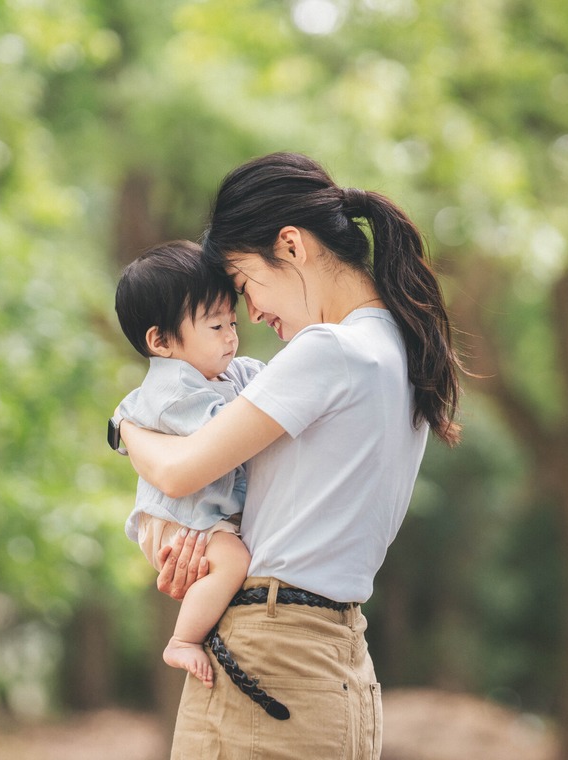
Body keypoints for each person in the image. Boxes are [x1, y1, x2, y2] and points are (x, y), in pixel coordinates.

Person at [117, 152, 462, 759]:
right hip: (334, 655)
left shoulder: (329, 351)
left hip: (270, 654)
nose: (249, 313)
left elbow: (178, 468)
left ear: (292, 246)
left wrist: (122, 425)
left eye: (245, 283)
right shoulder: (399, 354)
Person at [110, 240, 262, 688]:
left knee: (232, 559)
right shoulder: (174, 387)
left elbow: (264, 379)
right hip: (174, 521)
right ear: (161, 341)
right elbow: (225, 434)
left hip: (198, 512)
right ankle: (182, 640)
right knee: (232, 562)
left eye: (232, 322)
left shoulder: (219, 369)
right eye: (216, 325)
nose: (232, 336)